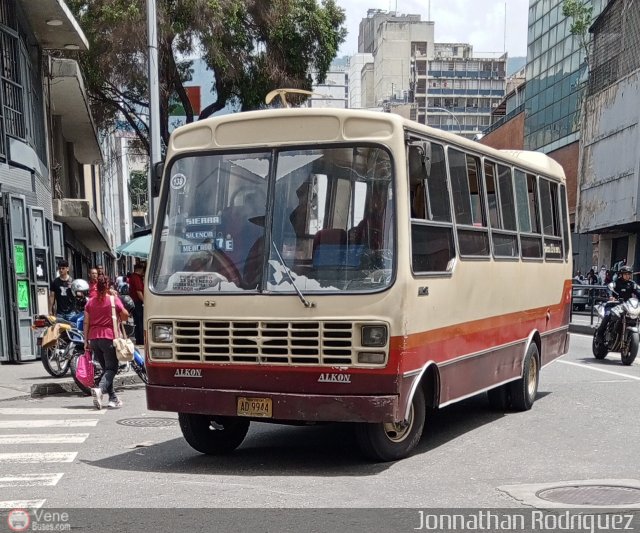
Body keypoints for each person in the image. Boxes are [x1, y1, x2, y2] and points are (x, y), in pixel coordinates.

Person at [83, 275, 129, 409]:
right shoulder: (113, 300)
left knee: (106, 370)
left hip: (94, 339)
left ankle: (113, 398)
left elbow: (86, 322)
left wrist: (86, 341)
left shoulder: (90, 302)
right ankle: (100, 390)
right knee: (112, 369)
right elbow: (125, 314)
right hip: (109, 338)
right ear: (108, 286)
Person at [595, 265, 640, 341]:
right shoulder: (616, 282)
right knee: (607, 315)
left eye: (629, 274)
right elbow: (609, 288)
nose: (627, 276)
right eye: (625, 274)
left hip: (626, 306)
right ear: (621, 274)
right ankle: (600, 334)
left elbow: (638, 291)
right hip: (614, 304)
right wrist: (610, 296)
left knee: (635, 316)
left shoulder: (632, 284)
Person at [128, 263, 145, 345]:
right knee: (140, 321)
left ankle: (139, 339)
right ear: (141, 269)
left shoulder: (133, 277)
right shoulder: (136, 278)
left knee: (137, 321)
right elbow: (139, 292)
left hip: (134, 302)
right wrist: (145, 302)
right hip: (138, 302)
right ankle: (141, 339)